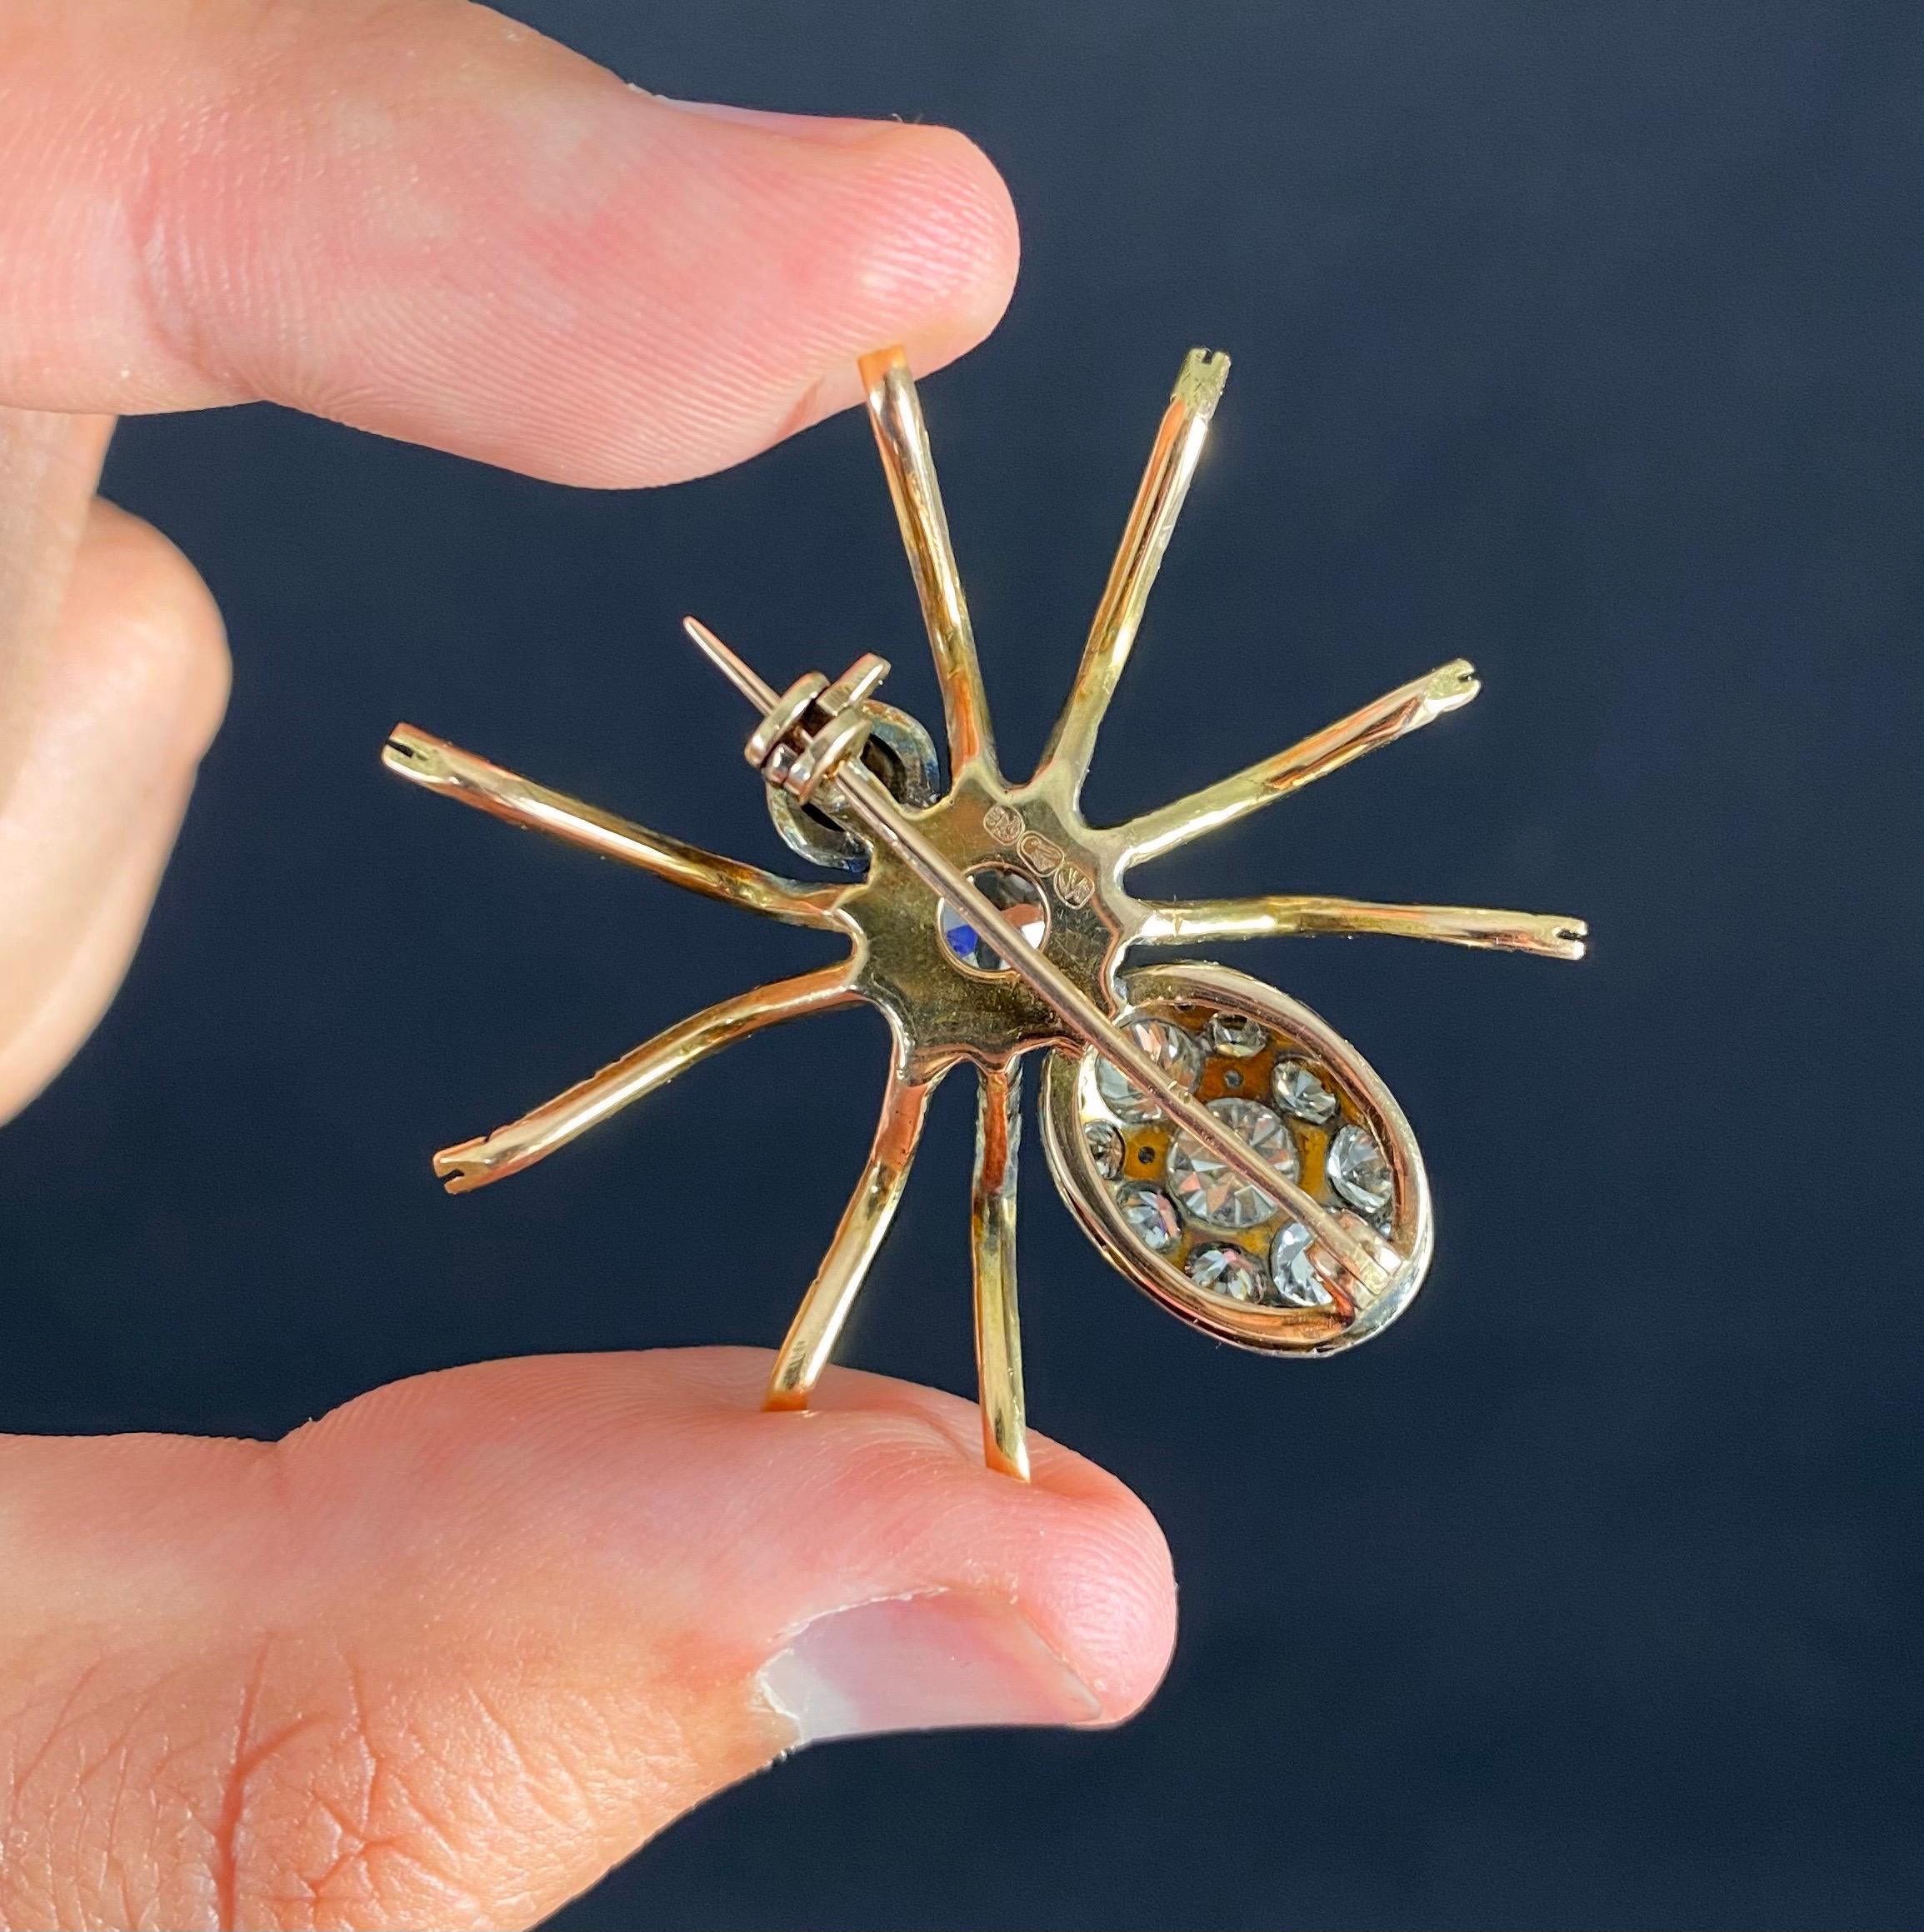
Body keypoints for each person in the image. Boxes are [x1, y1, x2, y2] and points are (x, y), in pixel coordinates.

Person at [0, 4, 1177, 1926]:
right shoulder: (860, 924)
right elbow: (722, 1001)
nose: (849, 784)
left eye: (845, 761)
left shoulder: (986, 835)